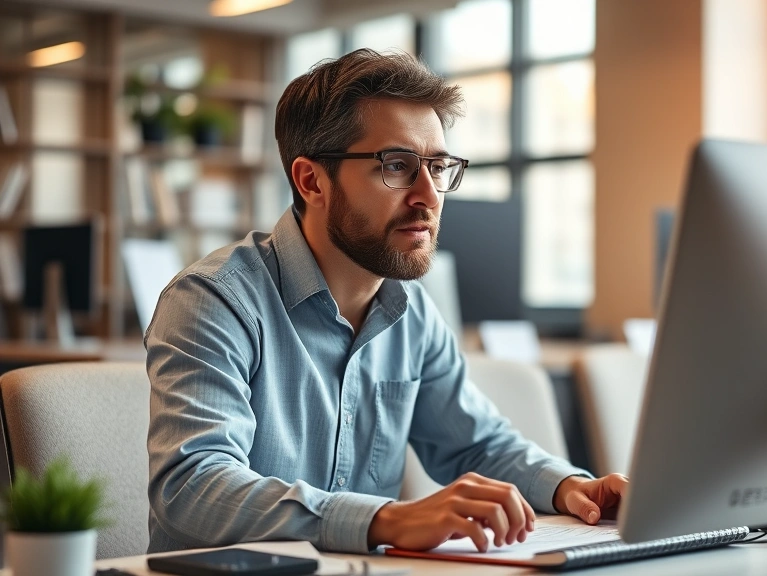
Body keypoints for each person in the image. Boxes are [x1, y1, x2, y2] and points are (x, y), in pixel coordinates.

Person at [145, 48, 628, 555]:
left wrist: (570, 489)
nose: (429, 195)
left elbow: (475, 442)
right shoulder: (213, 301)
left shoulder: (413, 314)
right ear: (312, 181)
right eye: (396, 166)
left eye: (438, 167)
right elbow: (192, 486)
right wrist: (384, 521)